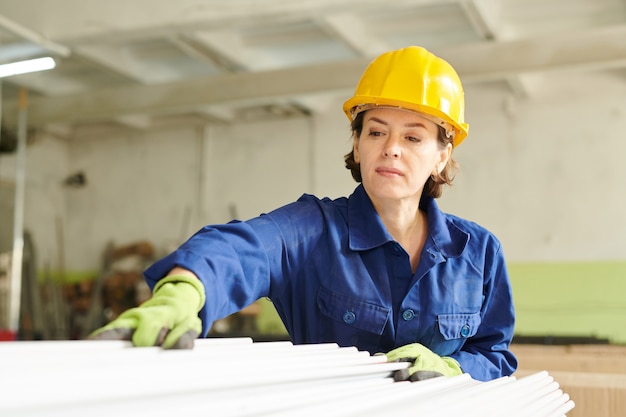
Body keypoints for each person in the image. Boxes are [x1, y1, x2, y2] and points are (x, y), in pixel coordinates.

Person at [90, 46, 517, 382]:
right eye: (376, 131)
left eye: (413, 136)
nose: (391, 147)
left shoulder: (478, 253)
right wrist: (185, 290)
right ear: (357, 143)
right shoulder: (312, 229)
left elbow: (494, 355)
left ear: (442, 156)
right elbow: (243, 249)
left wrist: (455, 368)